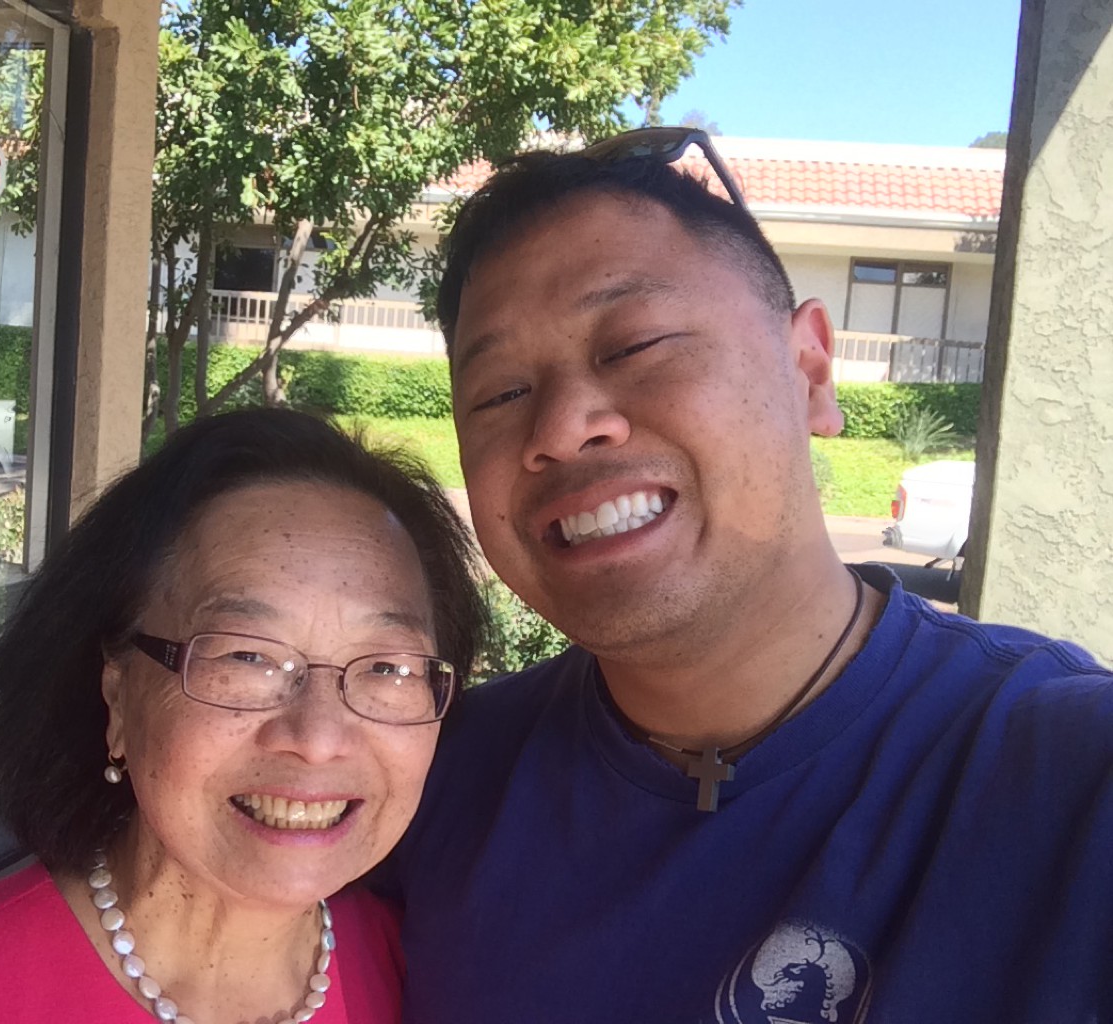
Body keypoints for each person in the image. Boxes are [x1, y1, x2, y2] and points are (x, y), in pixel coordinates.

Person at [382, 129, 1113, 1023]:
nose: (562, 428)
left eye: (635, 344)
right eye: (499, 394)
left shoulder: (1066, 782)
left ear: (809, 370)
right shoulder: (422, 783)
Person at [0, 408, 486, 1024]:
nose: (318, 738)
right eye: (246, 656)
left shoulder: (435, 975)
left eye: (388, 667)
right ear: (117, 693)